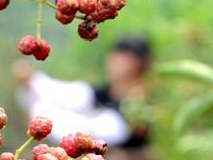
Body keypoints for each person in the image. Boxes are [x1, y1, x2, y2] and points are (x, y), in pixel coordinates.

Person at [16, 35, 152, 147]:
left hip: (112, 135)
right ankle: (35, 81)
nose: (116, 63)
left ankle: (36, 85)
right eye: (115, 57)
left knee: (107, 124)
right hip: (88, 122)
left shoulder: (142, 103)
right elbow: (74, 96)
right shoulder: (99, 93)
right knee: (74, 96)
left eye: (124, 59)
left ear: (138, 64)